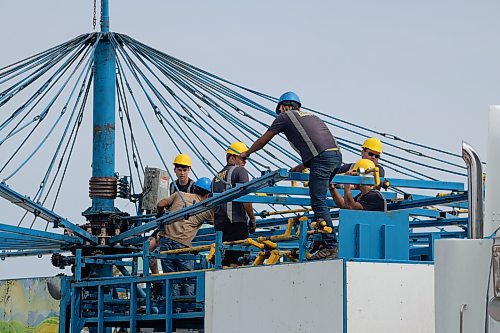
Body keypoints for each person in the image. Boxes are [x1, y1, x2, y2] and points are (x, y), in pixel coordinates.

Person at [240, 91, 342, 259]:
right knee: (319, 198)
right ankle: (320, 241)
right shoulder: (311, 116)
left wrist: (247, 153)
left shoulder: (284, 117)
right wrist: (302, 166)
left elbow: (263, 141)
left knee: (317, 200)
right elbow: (320, 145)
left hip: (322, 160)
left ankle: (330, 246)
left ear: (282, 107)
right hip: (336, 158)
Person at [150, 177, 214, 296]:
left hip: (166, 241)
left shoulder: (179, 195)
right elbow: (219, 222)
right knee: (188, 278)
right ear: (208, 194)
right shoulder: (206, 208)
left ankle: (173, 308)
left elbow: (160, 204)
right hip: (182, 244)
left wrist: (160, 216)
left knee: (170, 277)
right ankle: (188, 308)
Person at [212, 141, 256, 267]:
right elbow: (245, 197)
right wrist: (252, 219)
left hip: (220, 225)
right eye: (242, 158)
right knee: (239, 260)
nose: (245, 161)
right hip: (236, 223)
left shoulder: (215, 178)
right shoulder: (240, 171)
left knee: (224, 260)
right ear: (232, 158)